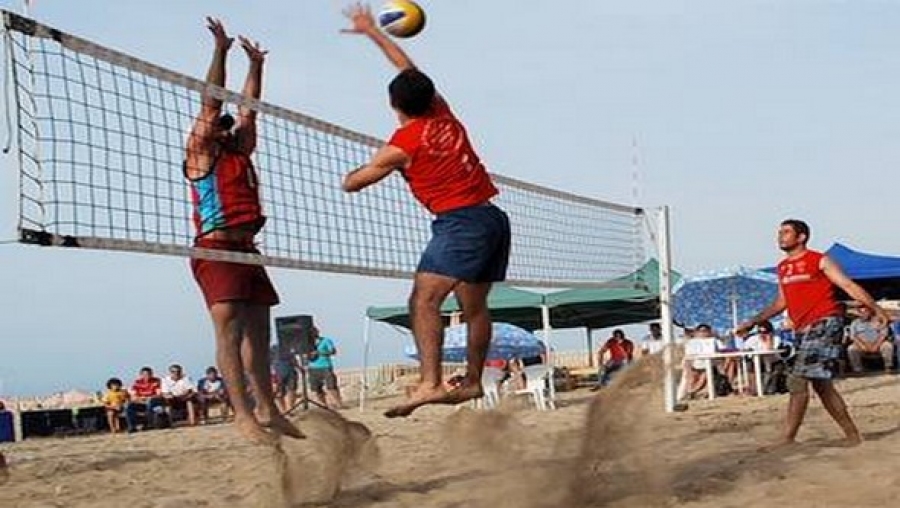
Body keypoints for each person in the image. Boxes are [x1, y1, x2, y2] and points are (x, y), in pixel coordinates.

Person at [340, 4, 511, 418]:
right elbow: (408, 68)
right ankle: (471, 381)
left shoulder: (403, 144)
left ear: (393, 103)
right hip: (492, 218)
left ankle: (431, 382)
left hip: (461, 223)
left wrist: (367, 167)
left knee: (423, 301)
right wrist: (376, 35)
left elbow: (352, 183)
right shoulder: (442, 113)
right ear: (429, 96)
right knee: (475, 309)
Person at [184, 17, 301, 443]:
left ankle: (268, 408)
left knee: (260, 333)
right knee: (229, 333)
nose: (229, 125)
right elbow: (212, 101)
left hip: (247, 250)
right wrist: (221, 50)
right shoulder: (201, 150)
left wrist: (257, 65)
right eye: (222, 123)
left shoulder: (239, 149)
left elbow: (249, 106)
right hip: (215, 250)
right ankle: (242, 414)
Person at [736, 219, 891, 448]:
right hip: (803, 328)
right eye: (780, 232)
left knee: (797, 379)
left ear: (801, 237)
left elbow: (847, 285)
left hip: (825, 322)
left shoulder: (819, 260)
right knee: (821, 384)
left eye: (786, 232)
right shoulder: (783, 267)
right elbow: (781, 302)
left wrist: (876, 309)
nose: (780, 236)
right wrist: (753, 321)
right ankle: (853, 436)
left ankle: (787, 438)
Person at [307, 327, 344, 410]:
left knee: (331, 387)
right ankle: (323, 405)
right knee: (316, 388)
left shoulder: (326, 340)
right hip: (312, 367)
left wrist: (320, 352)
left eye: (314, 332)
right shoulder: (307, 343)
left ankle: (339, 403)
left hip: (325, 366)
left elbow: (333, 351)